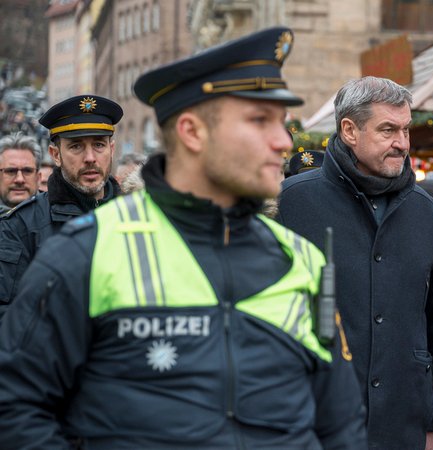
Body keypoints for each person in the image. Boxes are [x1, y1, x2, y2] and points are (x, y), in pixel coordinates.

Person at [0, 26, 367, 448]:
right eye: (259, 120)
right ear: (193, 132)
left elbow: (340, 423)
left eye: (282, 122)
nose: (284, 141)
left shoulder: (303, 260)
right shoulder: (89, 249)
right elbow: (17, 404)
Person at [278, 76, 433, 450]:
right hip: (315, 422)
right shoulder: (293, 204)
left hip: (402, 422)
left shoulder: (423, 210)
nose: (402, 144)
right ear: (349, 130)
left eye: (406, 130)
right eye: (388, 130)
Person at [0, 95, 123, 320]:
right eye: (76, 146)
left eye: (98, 144)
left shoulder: (136, 218)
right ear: (55, 155)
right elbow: (8, 320)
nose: (90, 158)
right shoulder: (21, 226)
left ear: (111, 149)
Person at [0, 131, 41, 214]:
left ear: (38, 178)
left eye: (27, 171)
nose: (19, 179)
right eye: (11, 171)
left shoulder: (60, 221)